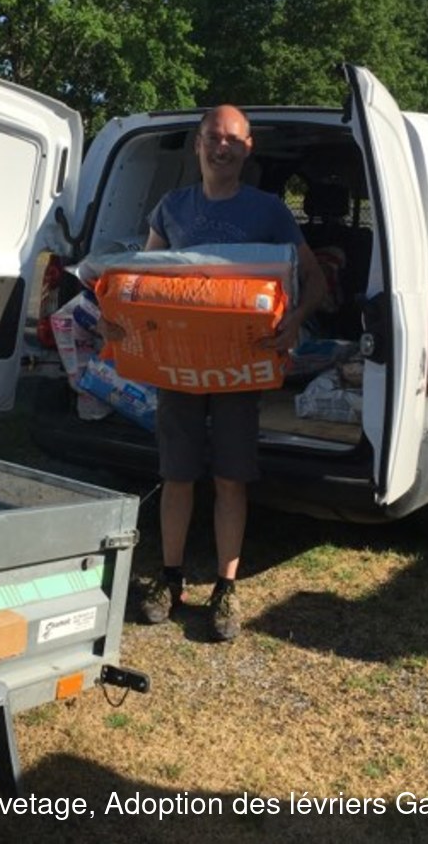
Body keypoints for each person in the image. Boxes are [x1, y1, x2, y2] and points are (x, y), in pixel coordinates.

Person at [111, 105, 327, 641]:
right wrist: (120, 322)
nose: (221, 146)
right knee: (177, 475)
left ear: (248, 148)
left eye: (232, 138)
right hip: (179, 368)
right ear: (198, 144)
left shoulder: (268, 211)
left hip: (240, 368)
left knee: (231, 477)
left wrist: (295, 321)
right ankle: (170, 579)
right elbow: (145, 281)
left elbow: (315, 278)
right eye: (213, 137)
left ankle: (226, 588)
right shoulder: (172, 208)